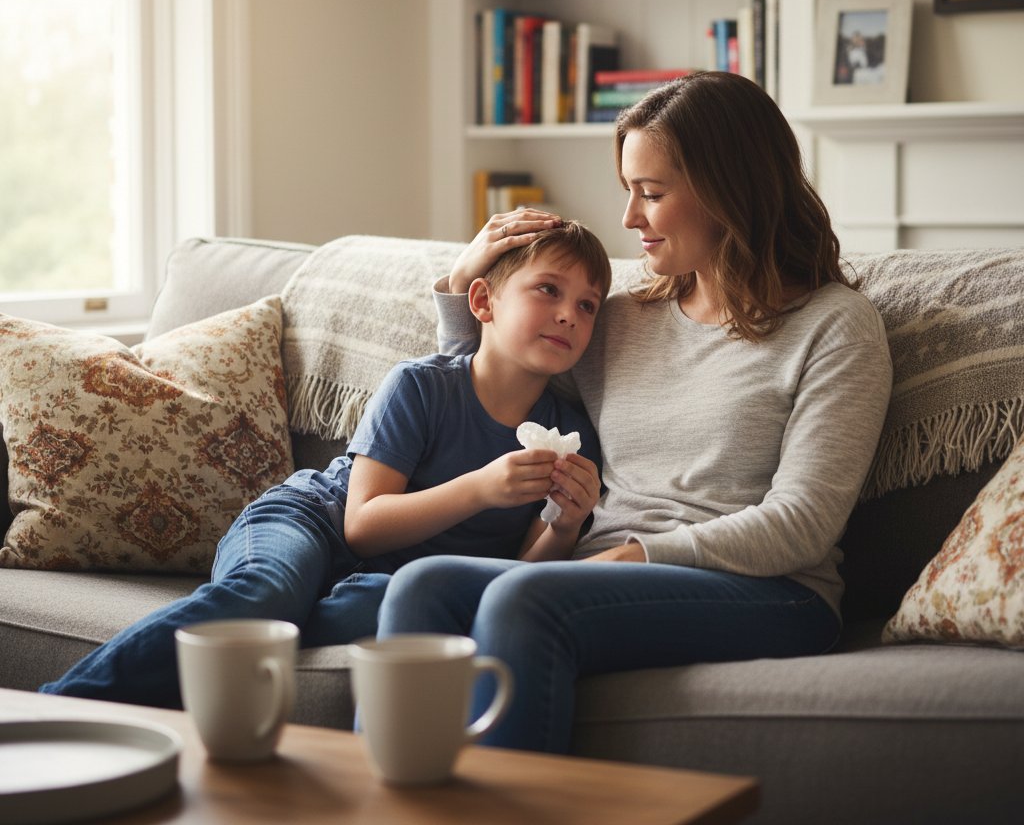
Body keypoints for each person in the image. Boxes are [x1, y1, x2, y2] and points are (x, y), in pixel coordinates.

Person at [376, 71, 895, 754]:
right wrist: (461, 283)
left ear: (728, 191)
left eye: (650, 193)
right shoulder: (621, 320)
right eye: (628, 190)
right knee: (422, 586)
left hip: (769, 590)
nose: (628, 218)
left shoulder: (834, 326)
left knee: (524, 597)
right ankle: (388, 796)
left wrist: (635, 554)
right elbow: (492, 388)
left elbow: (803, 523)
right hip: (605, 571)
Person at [40, 221, 611, 708]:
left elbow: (516, 573)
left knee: (381, 608)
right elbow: (361, 524)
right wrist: (481, 488)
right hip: (312, 520)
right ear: (482, 303)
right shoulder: (422, 386)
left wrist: (564, 527)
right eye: (548, 290)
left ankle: (284, 614)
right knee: (265, 591)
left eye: (587, 305)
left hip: (392, 581)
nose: (568, 315)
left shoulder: (573, 436)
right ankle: (59, 707)